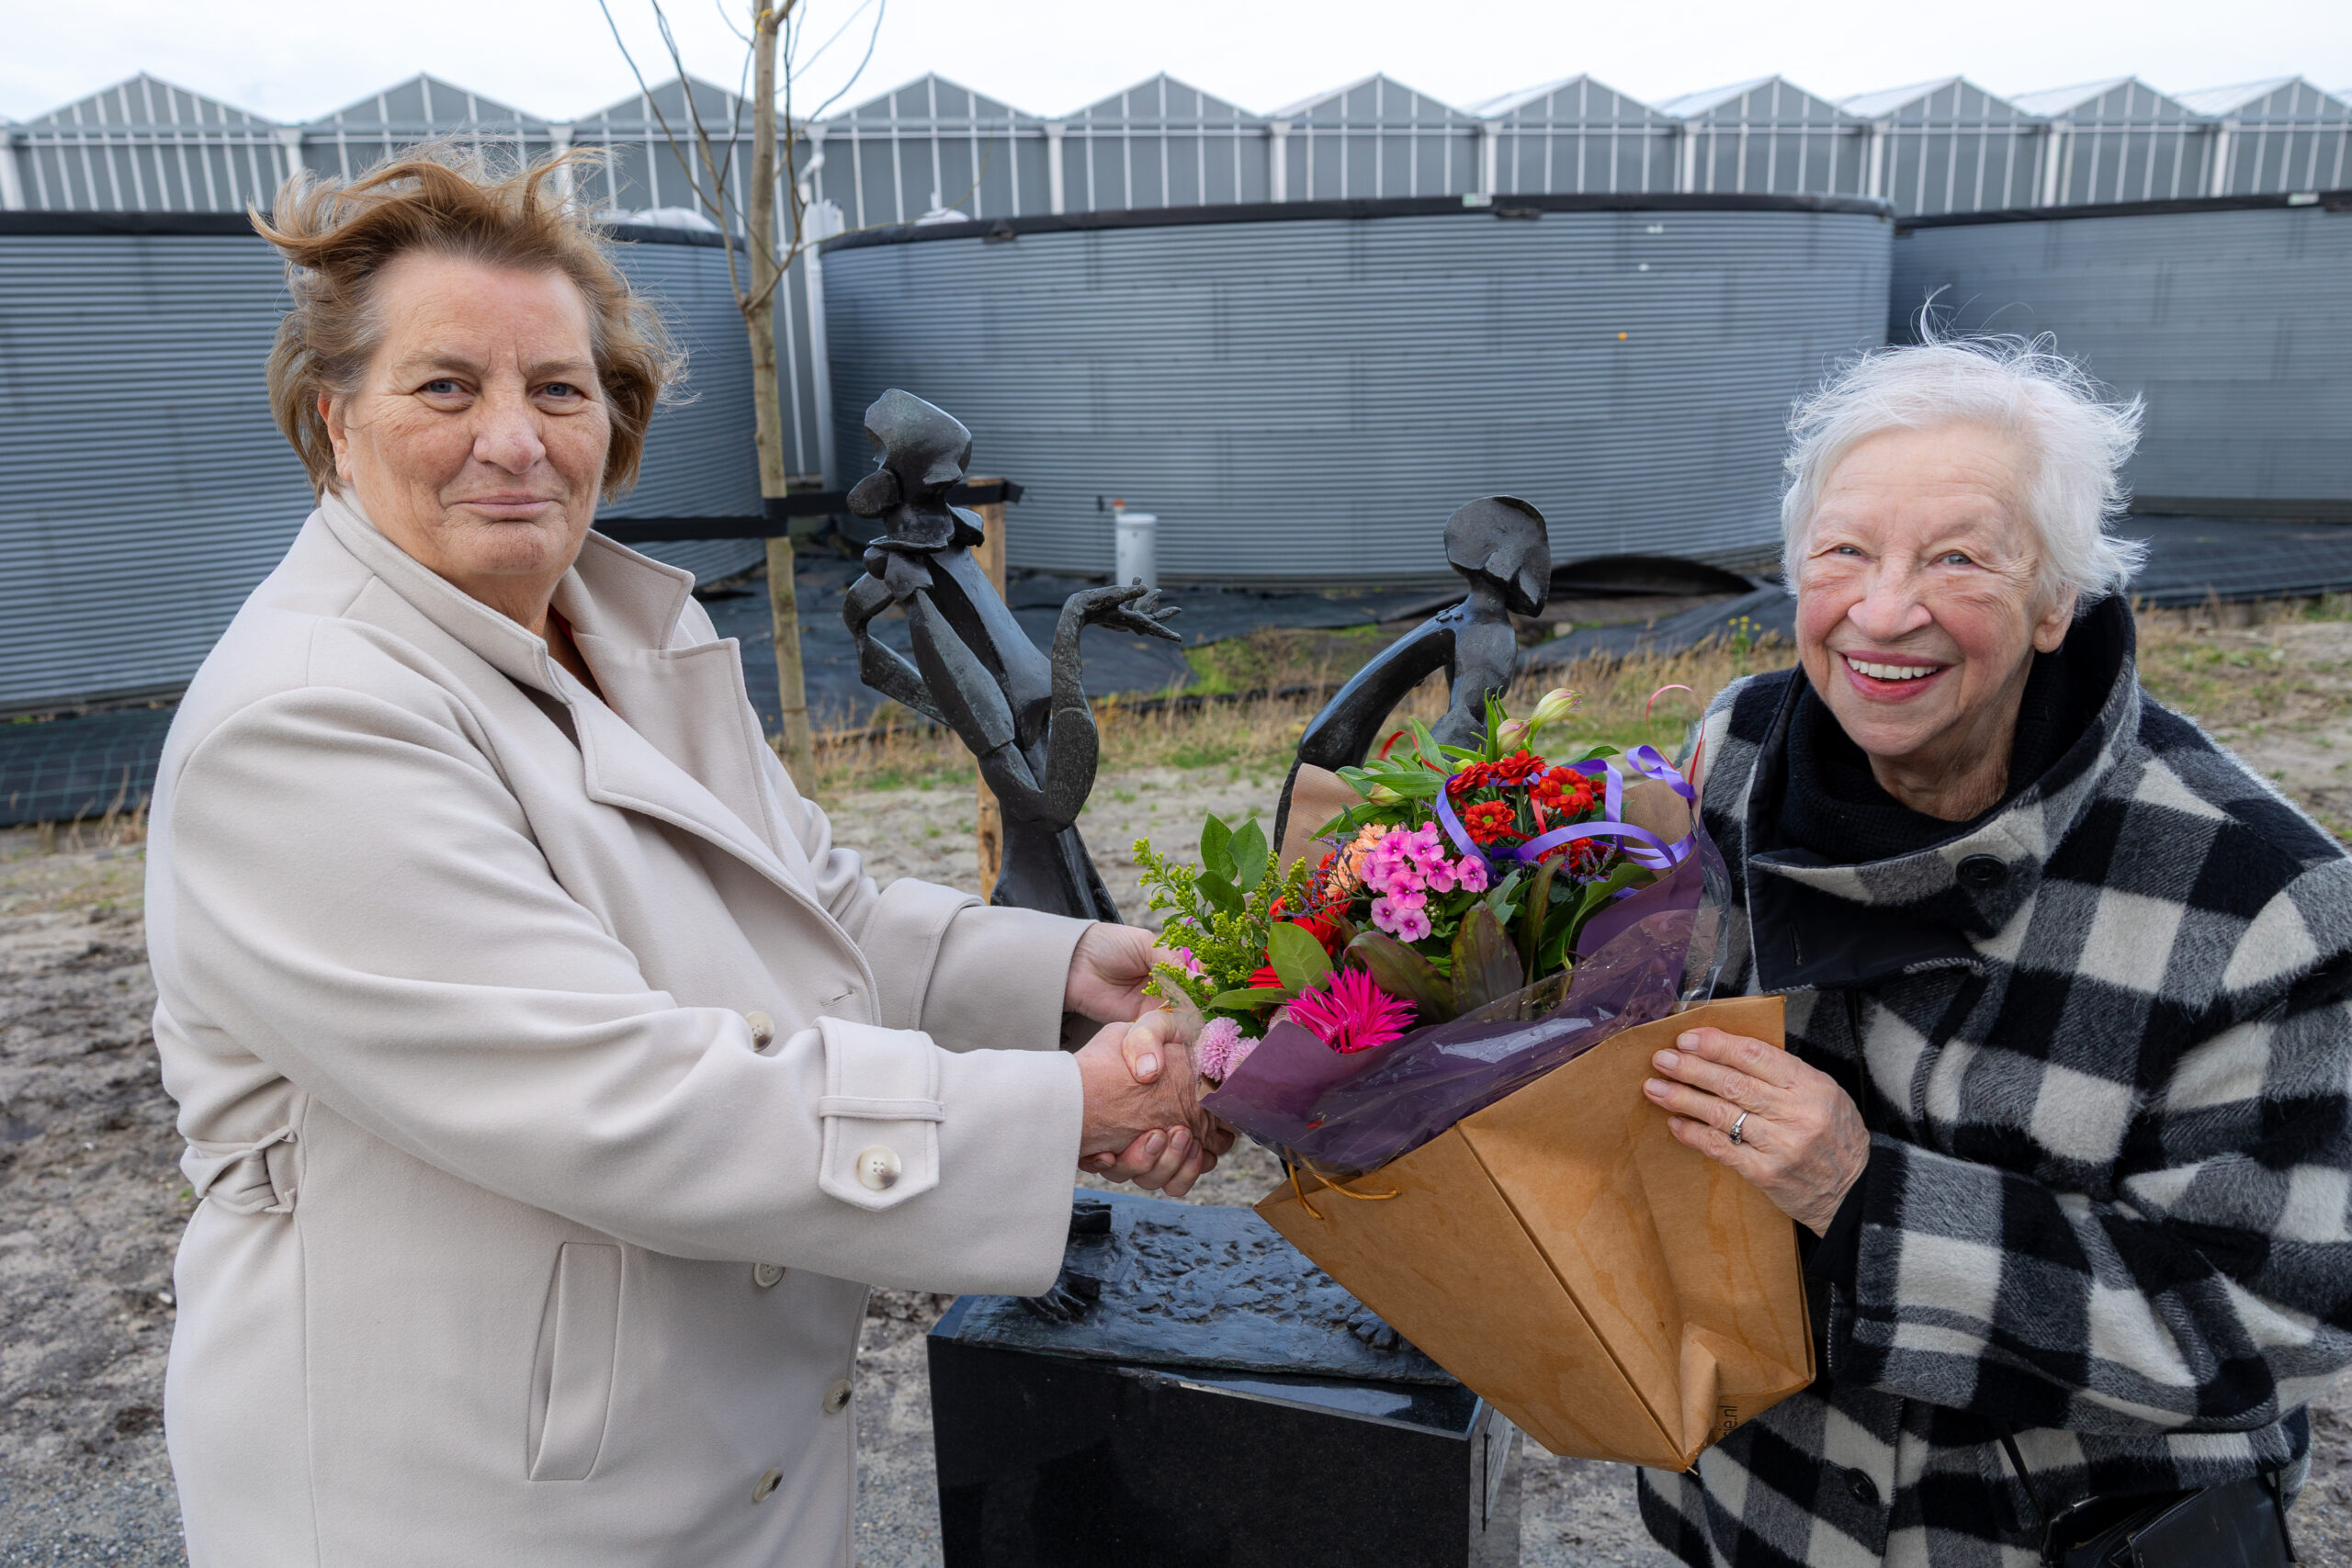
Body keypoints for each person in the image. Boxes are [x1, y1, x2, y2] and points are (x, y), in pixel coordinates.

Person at [144, 150, 1224, 1567]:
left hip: (720, 1470)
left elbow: (809, 904)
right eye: (446, 386)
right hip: (473, 1510)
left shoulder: (614, 628)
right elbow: (617, 1096)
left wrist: (1062, 974)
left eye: (559, 388)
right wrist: (1054, 1115)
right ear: (335, 418)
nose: (515, 439)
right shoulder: (307, 724)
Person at [1639, 336, 2352, 1564]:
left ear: (2056, 598)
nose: (1884, 608)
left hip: (2046, 1534)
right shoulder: (1735, 754)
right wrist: (1240, 1051)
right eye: (1845, 551)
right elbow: (1586, 1018)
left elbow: (2276, 1316)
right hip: (1761, 1504)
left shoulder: (2261, 899)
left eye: (1959, 558)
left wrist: (1871, 1201)